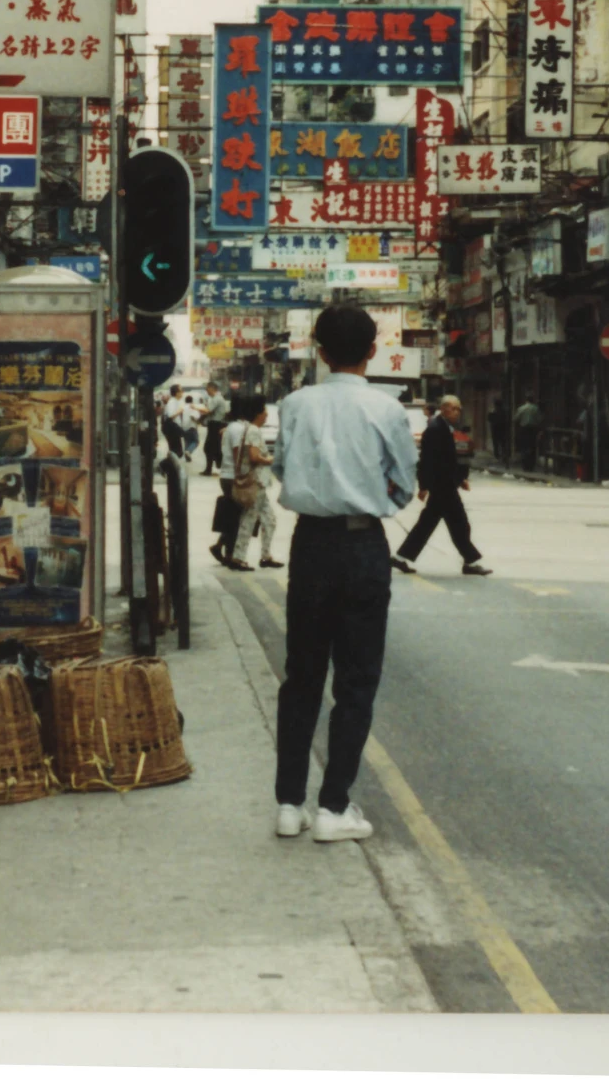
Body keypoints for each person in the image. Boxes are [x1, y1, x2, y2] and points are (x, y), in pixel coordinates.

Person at [269, 306, 418, 845]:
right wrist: (372, 498)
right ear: (373, 351)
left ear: (319, 350)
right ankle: (334, 807)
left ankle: (290, 804)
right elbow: (404, 483)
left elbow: (282, 467)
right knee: (356, 680)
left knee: (302, 676)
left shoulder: (294, 404)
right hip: (362, 547)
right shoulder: (386, 407)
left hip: (309, 543)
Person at [394, 395, 491, 576]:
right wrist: (423, 486)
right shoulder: (435, 429)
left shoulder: (445, 428)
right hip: (441, 486)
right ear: (445, 409)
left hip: (445, 485)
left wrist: (460, 478)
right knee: (459, 524)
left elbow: (450, 460)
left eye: (459, 409)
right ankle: (470, 561)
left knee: (430, 524)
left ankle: (401, 557)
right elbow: (427, 461)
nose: (458, 412)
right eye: (455, 409)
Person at [219, 393, 281, 571]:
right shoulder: (253, 430)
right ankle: (238, 558)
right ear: (257, 413)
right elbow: (253, 456)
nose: (267, 414)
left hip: (259, 483)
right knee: (249, 519)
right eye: (264, 411)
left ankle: (265, 555)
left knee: (269, 520)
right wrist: (270, 460)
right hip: (255, 483)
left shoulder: (251, 429)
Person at [201, 388, 232, 476]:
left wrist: (195, 407)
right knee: (213, 448)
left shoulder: (217, 399)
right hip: (214, 425)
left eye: (208, 389)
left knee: (209, 448)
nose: (207, 392)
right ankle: (214, 466)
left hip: (215, 425)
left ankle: (216, 465)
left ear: (212, 389)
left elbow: (208, 410)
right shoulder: (216, 399)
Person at [514, 393, 541, 472]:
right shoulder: (536, 408)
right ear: (533, 400)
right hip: (533, 429)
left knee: (524, 447)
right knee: (532, 447)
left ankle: (525, 466)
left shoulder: (521, 408)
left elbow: (516, 419)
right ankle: (531, 466)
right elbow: (539, 419)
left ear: (526, 400)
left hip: (524, 429)